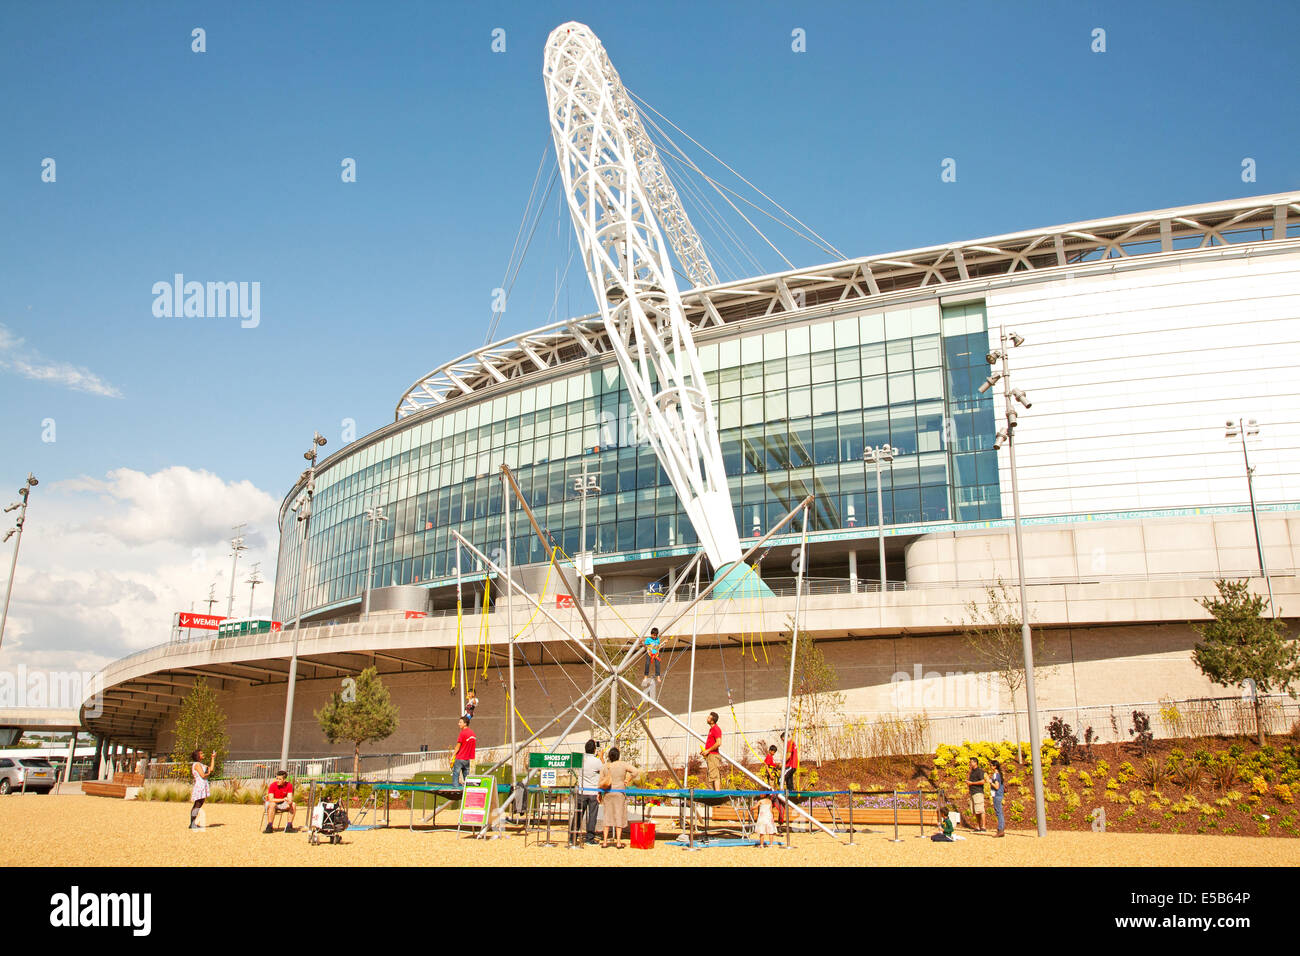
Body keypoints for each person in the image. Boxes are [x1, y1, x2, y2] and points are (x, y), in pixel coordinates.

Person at [598, 747, 642, 848]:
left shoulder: (605, 766)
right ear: (618, 755)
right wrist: (628, 779)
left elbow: (600, 781)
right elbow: (635, 771)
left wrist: (599, 794)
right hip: (620, 793)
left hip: (608, 793)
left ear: (609, 756)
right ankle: (618, 842)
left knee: (607, 817)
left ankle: (605, 842)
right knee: (619, 816)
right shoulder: (623, 764)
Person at [574, 739, 602, 846]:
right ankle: (589, 838)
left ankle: (573, 836)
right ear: (594, 749)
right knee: (592, 816)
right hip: (593, 791)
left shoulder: (581, 760)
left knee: (578, 815)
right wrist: (601, 756)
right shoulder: (597, 761)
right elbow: (604, 771)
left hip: (582, 790)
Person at [189, 748, 215, 830]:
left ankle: (193, 823)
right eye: (201, 753)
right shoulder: (197, 764)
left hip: (203, 785)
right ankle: (192, 823)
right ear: (197, 756)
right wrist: (208, 773)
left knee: (199, 804)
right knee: (197, 804)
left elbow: (211, 768)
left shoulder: (201, 765)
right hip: (200, 785)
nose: (203, 754)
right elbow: (203, 775)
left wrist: (213, 758)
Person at [450, 716, 476, 788]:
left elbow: (458, 746)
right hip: (468, 759)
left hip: (460, 757)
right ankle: (468, 789)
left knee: (456, 774)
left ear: (465, 723)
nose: (459, 724)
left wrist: (452, 756)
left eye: (460, 722)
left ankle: (455, 789)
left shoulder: (463, 733)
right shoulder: (473, 734)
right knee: (466, 776)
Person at [702, 712, 723, 790]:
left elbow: (718, 743)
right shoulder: (711, 729)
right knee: (711, 776)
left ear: (712, 720)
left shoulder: (716, 729)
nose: (707, 718)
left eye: (709, 718)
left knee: (715, 776)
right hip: (710, 755)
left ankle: (717, 794)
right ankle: (714, 794)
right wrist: (705, 751)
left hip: (713, 755)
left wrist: (708, 751)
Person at [966, 757, 986, 832]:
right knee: (975, 811)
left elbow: (983, 781)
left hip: (978, 792)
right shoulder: (972, 772)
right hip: (972, 792)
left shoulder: (979, 771)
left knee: (981, 810)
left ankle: (983, 826)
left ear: (975, 763)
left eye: (971, 762)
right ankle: (978, 826)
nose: (970, 764)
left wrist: (972, 783)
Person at [990, 759, 1005, 837]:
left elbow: (997, 786)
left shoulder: (996, 775)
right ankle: (1001, 829)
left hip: (997, 795)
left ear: (995, 766)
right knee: (1000, 812)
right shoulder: (1000, 774)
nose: (990, 767)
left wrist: (990, 782)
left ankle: (1000, 829)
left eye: (991, 765)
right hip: (999, 794)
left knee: (999, 812)